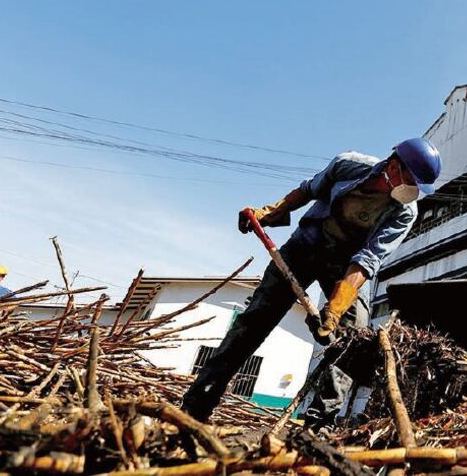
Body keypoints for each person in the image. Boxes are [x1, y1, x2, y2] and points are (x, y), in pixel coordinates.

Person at [181, 138, 441, 426]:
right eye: (413, 183)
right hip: (304, 247)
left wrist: (336, 307)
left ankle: (319, 424)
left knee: (350, 337)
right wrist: (271, 211)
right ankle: (197, 403)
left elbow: (368, 259)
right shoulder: (349, 165)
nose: (415, 193)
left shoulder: (405, 211)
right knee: (253, 321)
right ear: (394, 167)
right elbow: (308, 190)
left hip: (345, 268)